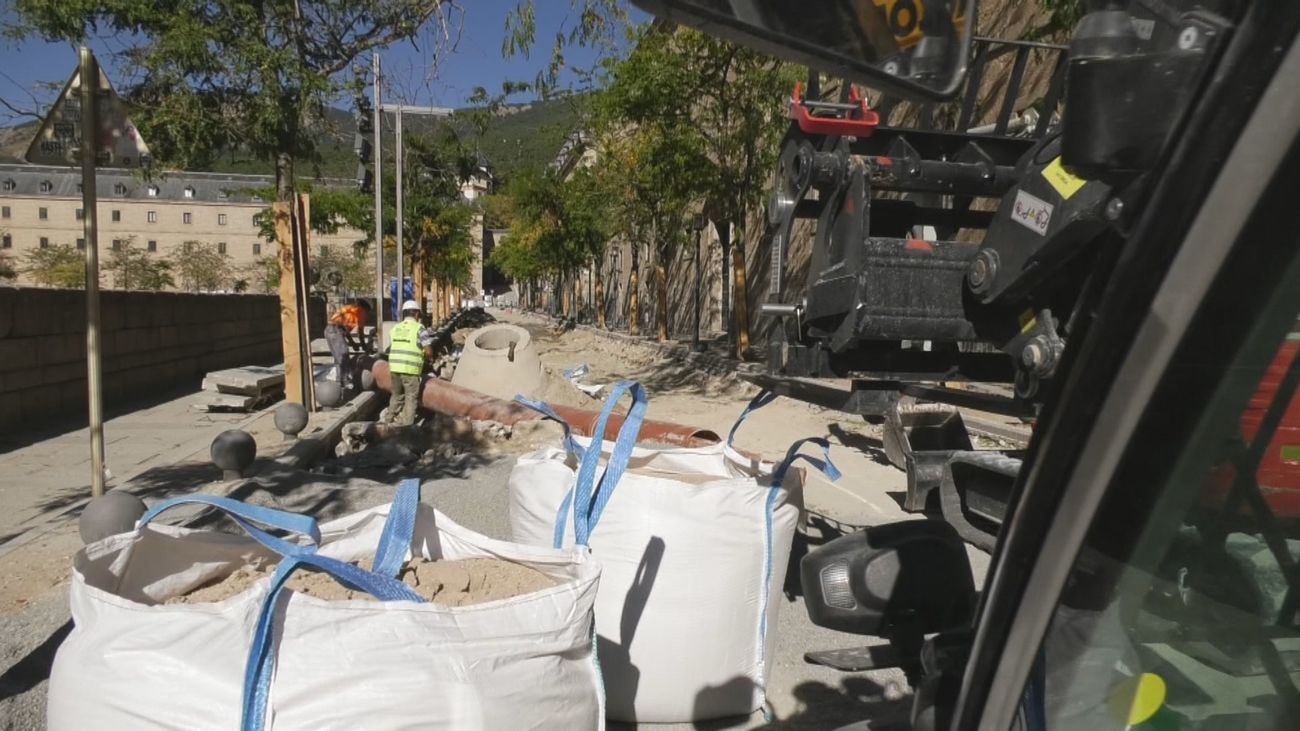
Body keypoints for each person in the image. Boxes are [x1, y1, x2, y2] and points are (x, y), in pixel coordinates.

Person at [384, 300, 427, 426]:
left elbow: (393, 346)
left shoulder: (396, 328)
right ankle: (407, 426)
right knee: (411, 396)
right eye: (419, 313)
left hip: (395, 367)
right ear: (416, 313)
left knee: (396, 395)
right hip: (410, 368)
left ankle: (388, 419)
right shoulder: (419, 328)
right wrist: (429, 356)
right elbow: (428, 349)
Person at [324, 299, 372, 388]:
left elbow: (345, 330)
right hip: (336, 330)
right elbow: (360, 332)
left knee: (339, 357)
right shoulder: (361, 311)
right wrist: (364, 346)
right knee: (344, 355)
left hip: (328, 330)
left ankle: (339, 381)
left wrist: (353, 343)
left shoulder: (350, 308)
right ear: (366, 309)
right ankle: (344, 381)